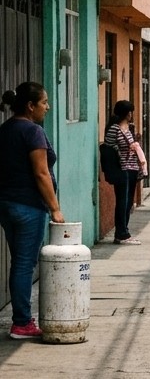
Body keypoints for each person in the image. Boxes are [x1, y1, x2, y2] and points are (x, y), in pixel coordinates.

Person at [0, 82, 65, 340]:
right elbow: (41, 173)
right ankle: (22, 322)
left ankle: (21, 318)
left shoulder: (4, 130)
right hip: (28, 206)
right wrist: (55, 209)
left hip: (6, 204)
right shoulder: (33, 131)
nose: (47, 107)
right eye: (44, 102)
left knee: (19, 262)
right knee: (25, 264)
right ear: (30, 106)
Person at [104, 100, 143, 245]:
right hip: (121, 169)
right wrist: (121, 151)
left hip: (132, 167)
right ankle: (121, 233)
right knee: (122, 201)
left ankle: (123, 230)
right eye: (130, 112)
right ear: (126, 113)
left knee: (128, 202)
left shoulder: (130, 128)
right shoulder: (114, 128)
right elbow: (109, 146)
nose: (132, 114)